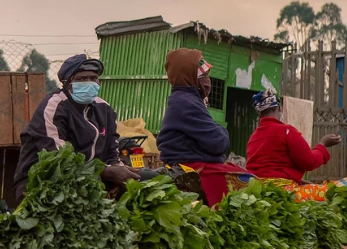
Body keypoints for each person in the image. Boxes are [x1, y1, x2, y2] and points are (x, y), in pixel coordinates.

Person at [15, 54, 151, 199]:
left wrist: (121, 171)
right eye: (81, 79)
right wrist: (104, 171)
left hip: (90, 181)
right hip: (43, 183)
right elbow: (58, 159)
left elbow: (112, 153)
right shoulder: (54, 107)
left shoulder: (104, 109)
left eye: (93, 78)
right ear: (67, 84)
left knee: (147, 178)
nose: (89, 83)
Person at [156, 49, 251, 206]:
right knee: (250, 185)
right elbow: (219, 142)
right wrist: (221, 129)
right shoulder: (186, 102)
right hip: (191, 167)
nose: (208, 81)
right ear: (190, 78)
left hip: (194, 163)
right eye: (204, 76)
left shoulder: (187, 100)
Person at [246, 88, 341, 182]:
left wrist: (300, 181)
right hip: (282, 191)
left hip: (256, 190)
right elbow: (309, 162)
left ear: (259, 114)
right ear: (279, 108)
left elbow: (265, 171)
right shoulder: (287, 132)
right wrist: (322, 144)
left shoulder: (253, 138)